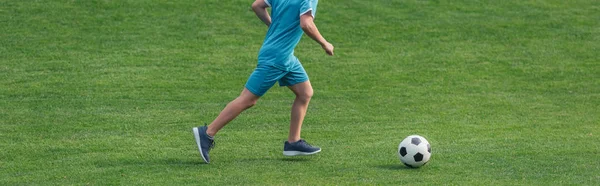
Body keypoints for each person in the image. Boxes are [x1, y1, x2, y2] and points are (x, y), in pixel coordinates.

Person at [193, 0, 334, 163]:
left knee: (305, 93)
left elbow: (257, 5)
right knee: (248, 99)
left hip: (285, 56)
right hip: (277, 58)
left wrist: (274, 26)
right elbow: (306, 23)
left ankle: (293, 142)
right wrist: (325, 43)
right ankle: (207, 132)